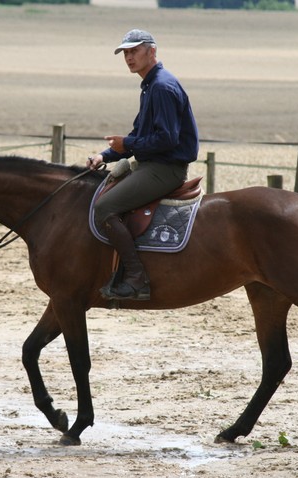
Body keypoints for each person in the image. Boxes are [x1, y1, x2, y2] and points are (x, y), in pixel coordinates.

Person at [87, 29, 199, 302]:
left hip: (164, 170)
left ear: (152, 52)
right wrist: (105, 155)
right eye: (125, 52)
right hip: (151, 164)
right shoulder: (151, 85)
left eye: (134, 51)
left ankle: (136, 278)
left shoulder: (161, 87)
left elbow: (166, 139)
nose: (129, 57)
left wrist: (126, 146)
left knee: (104, 207)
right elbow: (138, 136)